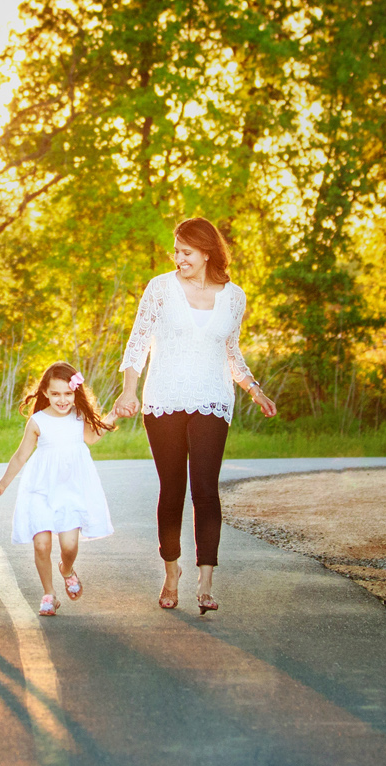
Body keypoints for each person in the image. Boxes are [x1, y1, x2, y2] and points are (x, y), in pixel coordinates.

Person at [112, 217, 277, 615]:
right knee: (172, 489)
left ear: (206, 252)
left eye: (186, 252)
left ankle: (205, 582)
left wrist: (254, 389)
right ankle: (172, 572)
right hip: (164, 400)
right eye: (176, 251)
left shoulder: (234, 297)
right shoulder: (160, 289)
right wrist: (129, 390)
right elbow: (137, 343)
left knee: (205, 489)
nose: (179, 258)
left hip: (212, 400)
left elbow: (231, 351)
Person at [0, 362, 115, 617]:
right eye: (56, 393)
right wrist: (2, 484)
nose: (62, 399)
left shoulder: (78, 416)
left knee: (69, 545)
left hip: (71, 488)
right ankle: (49, 594)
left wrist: (114, 415)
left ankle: (66, 569)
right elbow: (20, 456)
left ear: (75, 392)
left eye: (68, 393)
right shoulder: (38, 421)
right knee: (41, 544)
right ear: (45, 392)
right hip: (41, 489)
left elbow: (92, 437)